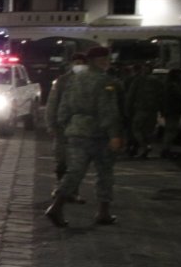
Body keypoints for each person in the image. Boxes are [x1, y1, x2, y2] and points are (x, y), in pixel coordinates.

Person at [46, 46, 124, 227]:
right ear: (101, 61)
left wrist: (67, 126)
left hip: (76, 130)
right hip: (99, 133)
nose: (108, 63)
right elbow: (108, 111)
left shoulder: (74, 80)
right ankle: (103, 212)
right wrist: (114, 134)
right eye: (106, 60)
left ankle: (56, 206)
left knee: (74, 171)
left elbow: (63, 108)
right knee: (104, 173)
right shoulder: (105, 81)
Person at [45, 52, 87, 201]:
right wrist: (51, 124)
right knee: (61, 160)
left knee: (77, 163)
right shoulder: (62, 81)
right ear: (71, 64)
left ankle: (74, 191)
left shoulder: (89, 80)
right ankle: (59, 187)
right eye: (76, 62)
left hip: (82, 128)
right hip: (62, 127)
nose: (79, 65)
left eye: (81, 63)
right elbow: (52, 103)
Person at [124, 62, 164, 158]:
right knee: (148, 131)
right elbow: (162, 95)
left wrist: (127, 109)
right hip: (153, 110)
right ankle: (147, 146)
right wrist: (162, 109)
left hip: (140, 109)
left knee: (136, 129)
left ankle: (145, 146)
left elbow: (131, 96)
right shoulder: (156, 81)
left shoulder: (138, 80)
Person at [158, 67, 181, 158]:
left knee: (170, 131)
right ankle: (166, 150)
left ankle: (166, 149)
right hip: (172, 111)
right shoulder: (172, 86)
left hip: (170, 110)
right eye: (180, 74)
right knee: (171, 131)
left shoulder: (169, 85)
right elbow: (179, 96)